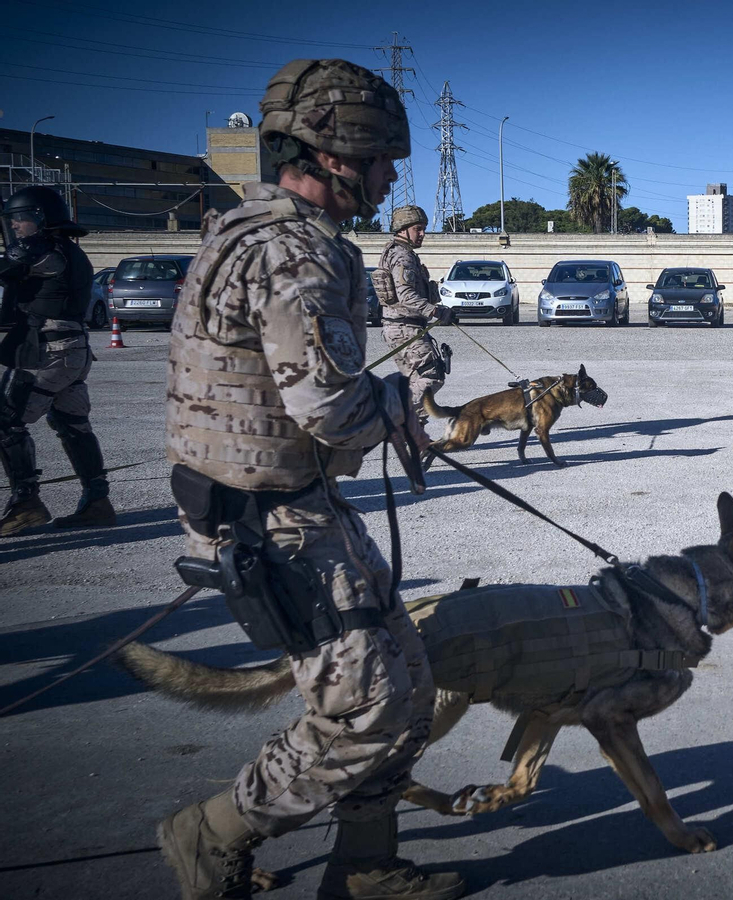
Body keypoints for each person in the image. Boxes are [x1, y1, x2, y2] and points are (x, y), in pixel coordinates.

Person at [159, 58, 461, 900]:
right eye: (381, 158)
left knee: (408, 685)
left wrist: (388, 398)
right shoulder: (295, 252)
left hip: (297, 506)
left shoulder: (252, 230)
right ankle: (210, 834)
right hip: (272, 523)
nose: (392, 173)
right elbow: (329, 406)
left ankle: (365, 864)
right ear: (337, 152)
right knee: (366, 708)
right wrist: (394, 404)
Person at [0, 185, 116, 535]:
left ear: (41, 219)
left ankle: (26, 503)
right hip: (70, 351)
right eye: (13, 220)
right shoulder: (65, 251)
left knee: (5, 419)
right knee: (72, 423)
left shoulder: (47, 252)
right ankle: (97, 502)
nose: (16, 226)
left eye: (21, 219)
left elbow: (9, 267)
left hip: (51, 351)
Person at [374, 204, 453, 432]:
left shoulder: (395, 252)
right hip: (405, 328)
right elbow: (406, 295)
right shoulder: (403, 257)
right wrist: (435, 311)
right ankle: (399, 418)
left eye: (423, 229)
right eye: (418, 229)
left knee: (414, 380)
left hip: (399, 327)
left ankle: (413, 432)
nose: (422, 234)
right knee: (432, 377)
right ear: (402, 229)